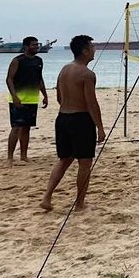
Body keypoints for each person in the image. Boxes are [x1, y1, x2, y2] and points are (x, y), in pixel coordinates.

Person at [40, 35, 106, 211]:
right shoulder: (87, 74)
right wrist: (100, 127)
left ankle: (46, 198)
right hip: (80, 120)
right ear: (84, 51)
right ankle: (80, 204)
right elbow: (91, 103)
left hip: (63, 118)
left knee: (64, 159)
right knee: (85, 163)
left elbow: (59, 97)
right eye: (92, 47)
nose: (94, 50)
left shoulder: (65, 69)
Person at [5, 36, 48, 166]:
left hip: (32, 99)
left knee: (26, 128)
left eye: (37, 44)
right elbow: (9, 79)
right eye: (34, 45)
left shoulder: (38, 60)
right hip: (18, 99)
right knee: (16, 127)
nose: (36, 47)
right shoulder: (18, 60)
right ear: (26, 46)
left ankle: (23, 156)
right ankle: (10, 158)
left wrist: (45, 95)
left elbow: (39, 79)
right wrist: (14, 96)